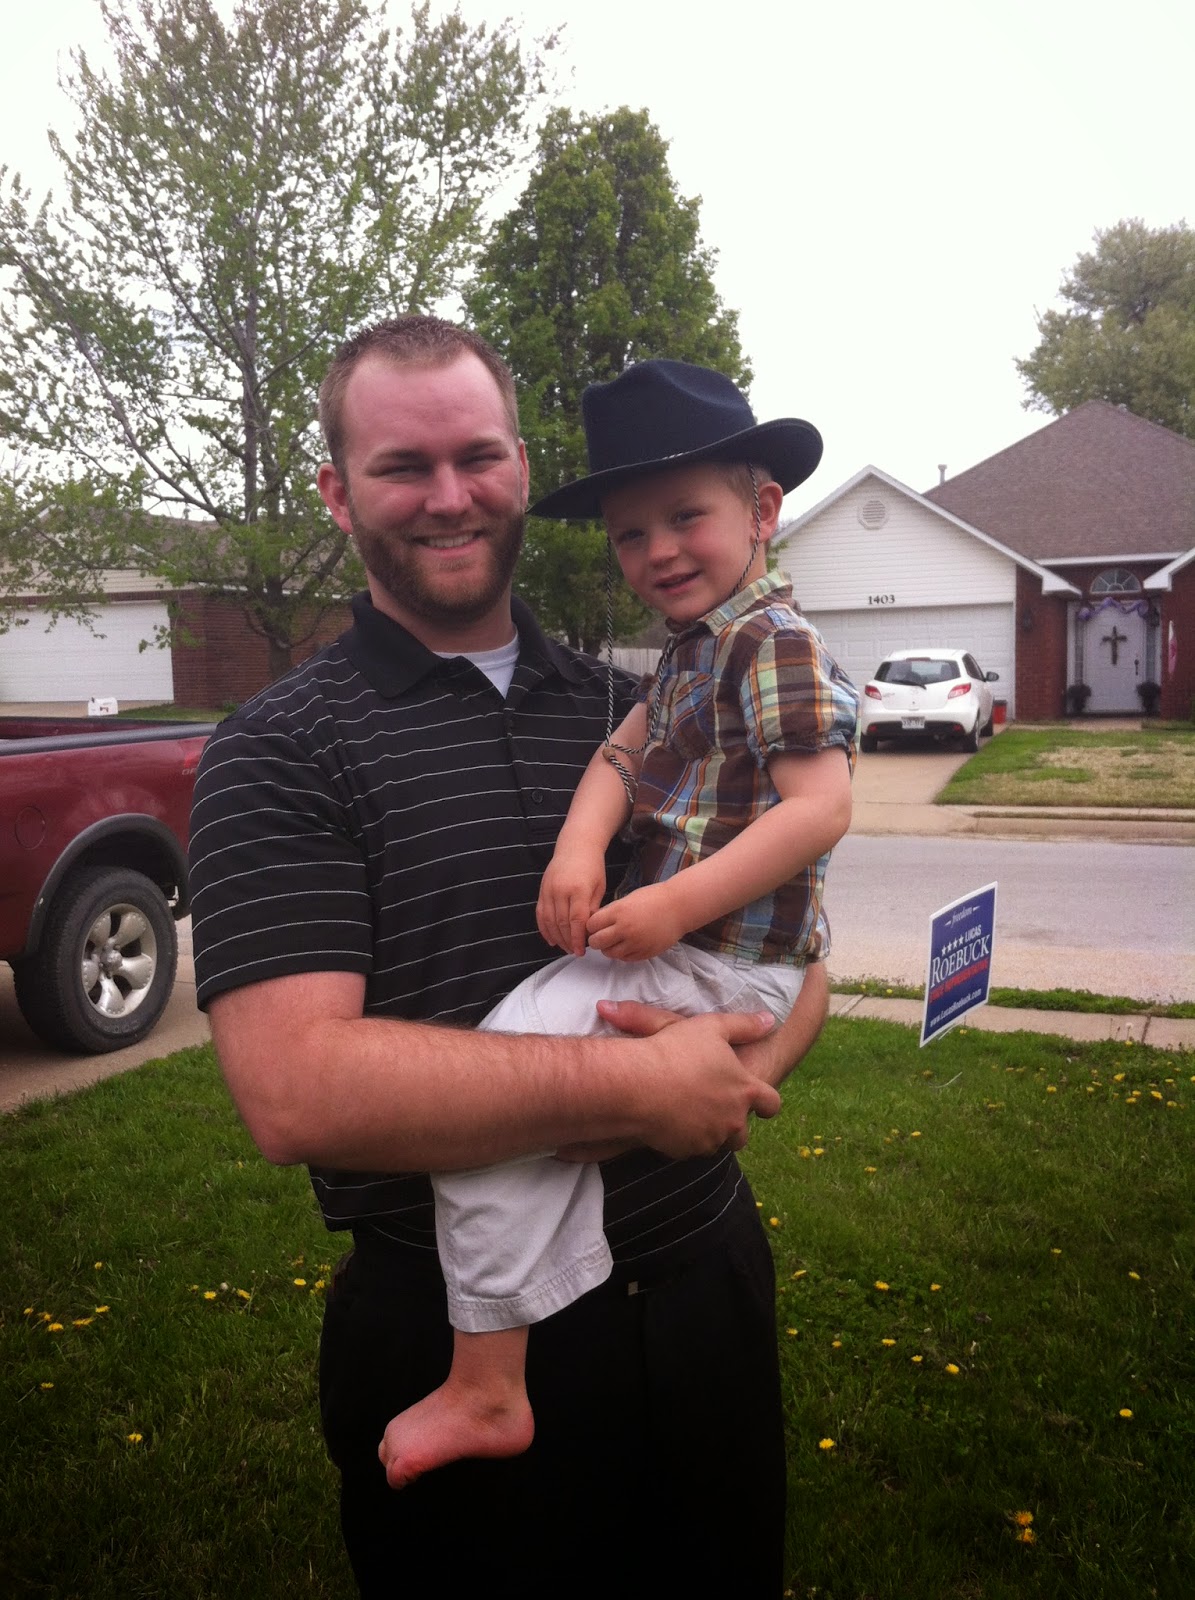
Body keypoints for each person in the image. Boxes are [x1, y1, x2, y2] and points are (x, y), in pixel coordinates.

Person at [188, 316, 831, 1599]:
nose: (449, 495)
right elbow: (293, 1090)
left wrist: (738, 1075)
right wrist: (637, 1087)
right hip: (448, 1321)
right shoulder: (276, 751)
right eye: (401, 466)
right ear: (336, 491)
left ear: (523, 469)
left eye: (477, 456)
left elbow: (802, 949)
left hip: (705, 1288)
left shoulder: (642, 702)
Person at [380, 359, 858, 1495]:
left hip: (719, 959)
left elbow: (821, 808)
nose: (658, 550)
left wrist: (672, 904)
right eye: (630, 532)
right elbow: (618, 756)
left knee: (492, 1095)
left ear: (762, 509)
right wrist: (577, 850)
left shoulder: (771, 641)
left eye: (685, 516)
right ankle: (520, 1341)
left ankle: (489, 1383)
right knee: (516, 1100)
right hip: (702, 957)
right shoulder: (694, 649)